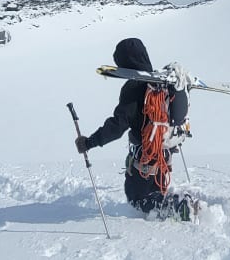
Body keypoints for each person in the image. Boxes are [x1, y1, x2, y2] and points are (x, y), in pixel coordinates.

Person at [75, 38, 196, 221]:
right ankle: (179, 205)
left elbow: (117, 126)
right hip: (164, 150)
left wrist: (90, 142)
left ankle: (179, 206)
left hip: (145, 154)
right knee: (155, 190)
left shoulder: (133, 88)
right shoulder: (162, 82)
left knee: (137, 198)